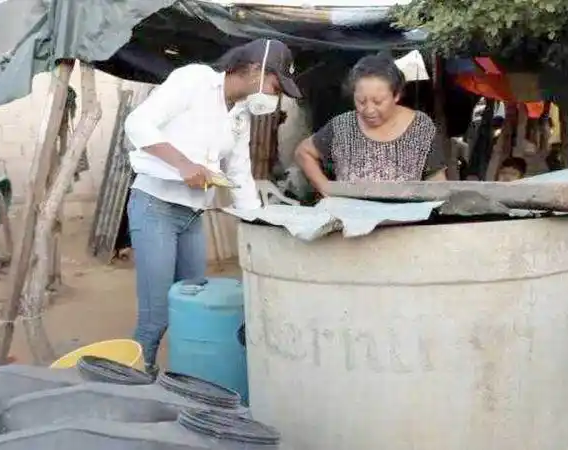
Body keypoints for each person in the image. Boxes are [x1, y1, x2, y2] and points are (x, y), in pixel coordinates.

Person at [123, 39, 302, 376]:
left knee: (194, 306)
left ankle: (184, 382)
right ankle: (132, 384)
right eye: (274, 86)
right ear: (252, 70)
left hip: (192, 216)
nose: (274, 96)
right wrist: (183, 165)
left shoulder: (240, 113)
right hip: (155, 207)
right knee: (156, 315)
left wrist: (259, 227)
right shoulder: (194, 81)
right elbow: (137, 124)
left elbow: (240, 174)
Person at [295, 54, 446, 195]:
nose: (369, 110)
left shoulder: (421, 127)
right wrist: (325, 187)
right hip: (352, 218)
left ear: (397, 95)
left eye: (378, 102)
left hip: (406, 221)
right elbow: (304, 152)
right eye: (361, 101)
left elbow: (437, 181)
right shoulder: (342, 126)